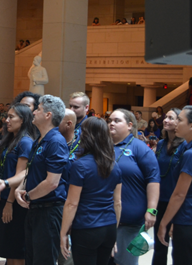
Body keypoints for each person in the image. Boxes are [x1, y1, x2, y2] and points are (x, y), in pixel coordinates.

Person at [14, 95, 69, 265]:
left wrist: (28, 196)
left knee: (43, 261)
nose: (34, 112)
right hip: (36, 209)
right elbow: (30, 169)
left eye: (38, 109)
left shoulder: (56, 141)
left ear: (48, 115)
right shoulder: (40, 140)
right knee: (31, 259)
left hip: (49, 211)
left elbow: (52, 182)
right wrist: (19, 189)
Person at [60, 118, 122, 265]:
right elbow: (117, 202)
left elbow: (71, 204)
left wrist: (63, 233)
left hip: (86, 227)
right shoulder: (114, 165)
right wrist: (114, 232)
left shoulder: (80, 165)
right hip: (109, 227)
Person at [156, 106, 192, 265]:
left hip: (188, 221)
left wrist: (164, 223)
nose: (176, 123)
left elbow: (179, 194)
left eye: (180, 120)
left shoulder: (191, 154)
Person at [0, 104, 38, 265]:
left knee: (17, 251)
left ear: (23, 120)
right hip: (7, 199)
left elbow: (20, 177)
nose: (6, 120)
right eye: (7, 116)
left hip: (16, 203)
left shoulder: (25, 142)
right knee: (9, 251)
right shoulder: (12, 140)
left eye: (11, 117)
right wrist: (0, 205)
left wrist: (8, 204)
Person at [108, 109, 160, 265]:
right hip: (104, 219)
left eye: (117, 120)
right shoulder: (103, 147)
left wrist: (152, 210)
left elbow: (153, 180)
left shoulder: (140, 148)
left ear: (130, 125)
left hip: (129, 222)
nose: (111, 123)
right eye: (110, 120)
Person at [151, 108, 183, 265]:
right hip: (160, 199)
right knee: (159, 242)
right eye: (166, 117)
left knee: (178, 246)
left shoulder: (184, 145)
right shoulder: (161, 143)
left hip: (177, 200)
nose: (166, 120)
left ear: (179, 122)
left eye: (171, 118)